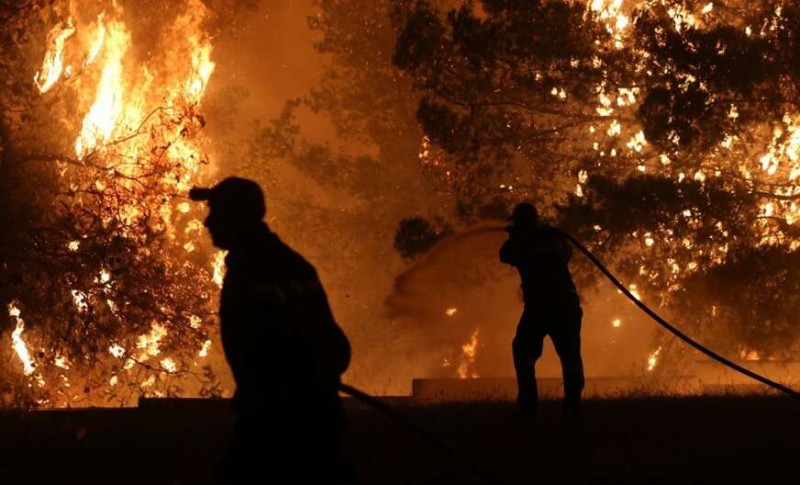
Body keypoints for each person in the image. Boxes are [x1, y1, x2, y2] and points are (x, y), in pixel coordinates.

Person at [189, 177, 355, 483]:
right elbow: (336, 348)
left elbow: (255, 357)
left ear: (236, 217)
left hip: (279, 426)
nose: (207, 222)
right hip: (316, 418)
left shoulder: (250, 275)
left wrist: (285, 390)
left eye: (216, 213)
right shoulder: (294, 266)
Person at [499, 202, 584, 417]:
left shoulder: (549, 239)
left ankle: (571, 405)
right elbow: (505, 254)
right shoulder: (523, 242)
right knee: (524, 350)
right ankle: (530, 404)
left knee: (569, 356)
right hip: (539, 307)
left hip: (560, 304)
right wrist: (516, 237)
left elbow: (561, 252)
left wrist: (521, 238)